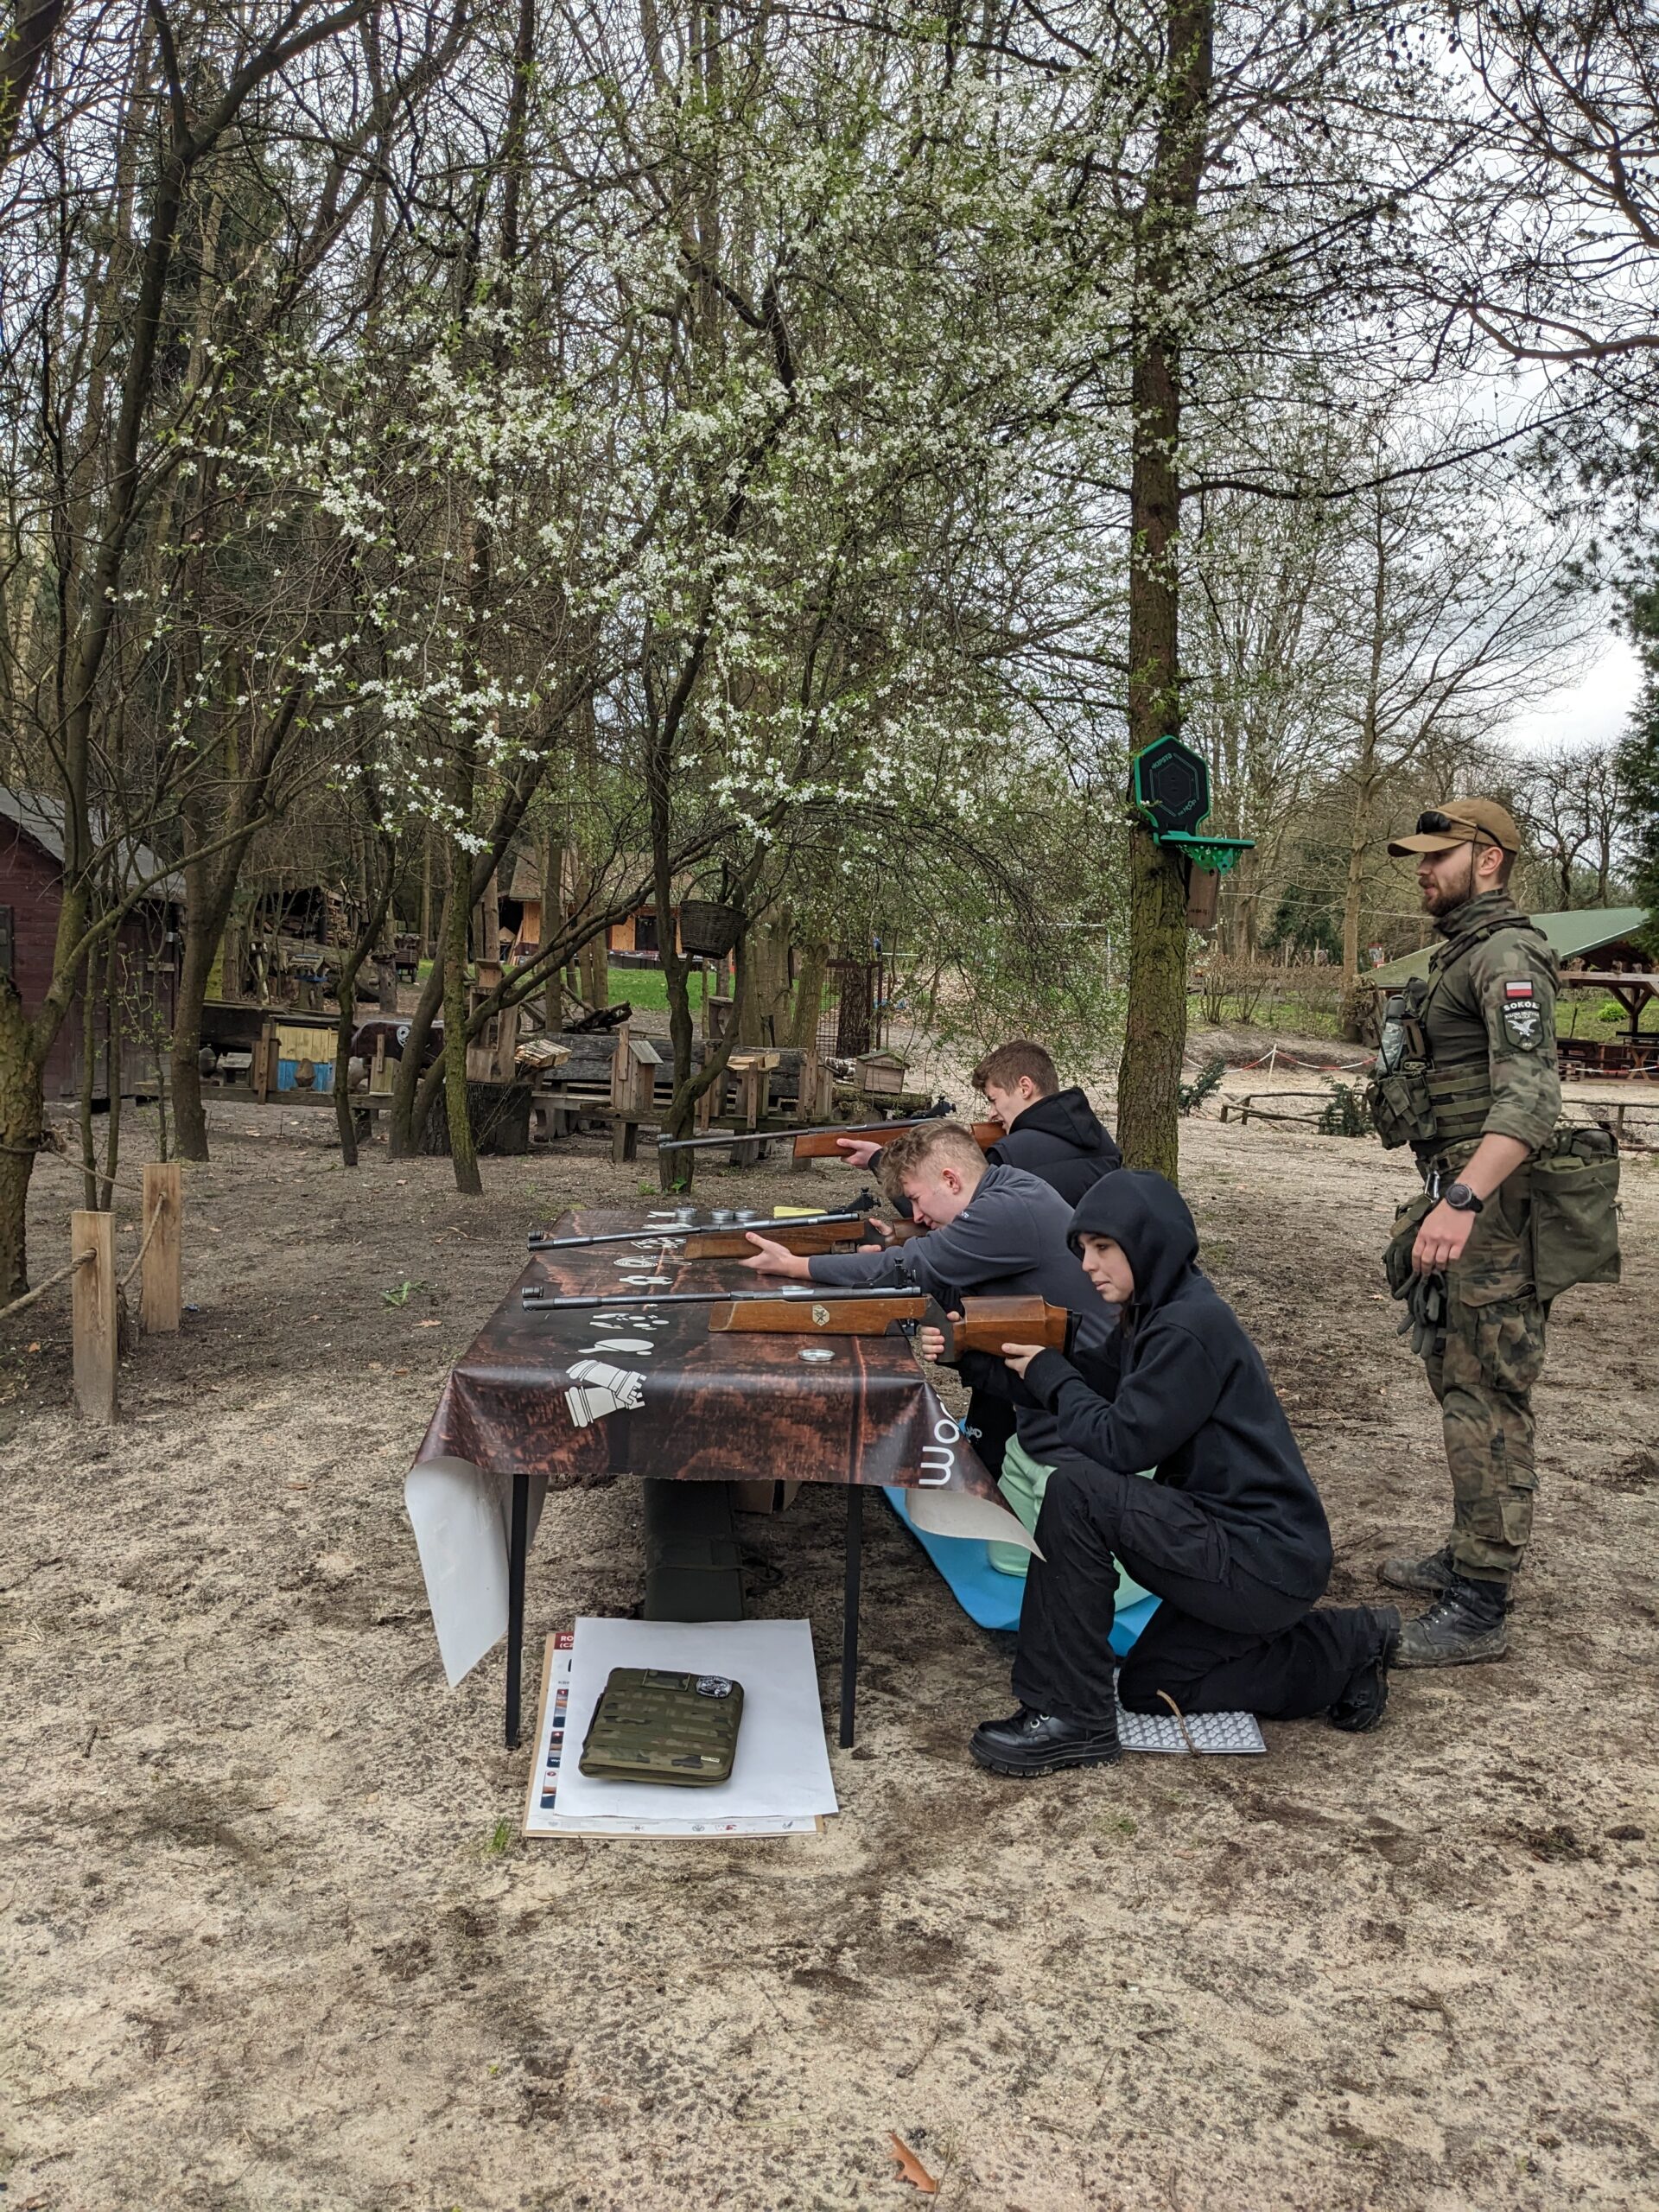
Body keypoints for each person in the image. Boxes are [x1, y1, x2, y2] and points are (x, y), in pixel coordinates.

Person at [957, 1169, 1398, 1777]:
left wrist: (1048, 1373)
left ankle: (1069, 1715)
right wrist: (975, 1361)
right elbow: (1089, 1384)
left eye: (1103, 1247)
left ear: (1148, 1241)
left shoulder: (1191, 1326)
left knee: (1077, 1489)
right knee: (1153, 1687)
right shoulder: (1154, 1314)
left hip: (1260, 1557)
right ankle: (1349, 1646)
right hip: (1234, 1549)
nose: (1088, 1264)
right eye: (1083, 1249)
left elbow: (1120, 1442)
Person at [1368, 799, 1606, 1667]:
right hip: (1461, 1201)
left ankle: (1482, 1605)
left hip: (1491, 1213)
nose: (1423, 869)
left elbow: (1531, 1101)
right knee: (1457, 1382)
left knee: (1488, 1395)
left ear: (1492, 861)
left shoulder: (1508, 956)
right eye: (1420, 857)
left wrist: (1463, 1201)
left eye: (1441, 855)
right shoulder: (1457, 954)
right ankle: (1472, 1552)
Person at [739, 1119, 1113, 1475]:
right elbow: (933, 1274)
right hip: (1047, 1420)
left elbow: (914, 1264)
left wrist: (798, 1267)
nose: (916, 1214)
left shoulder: (1004, 1211)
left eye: (917, 1199)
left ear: (950, 1179)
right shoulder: (1012, 1188)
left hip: (1082, 1431)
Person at [831, 1043, 1121, 1471]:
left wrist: (885, 1176)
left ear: (1025, 1087)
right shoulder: (1093, 1139)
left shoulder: (1014, 1155)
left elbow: (956, 1218)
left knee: (1008, 1444)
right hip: (1073, 1315)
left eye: (994, 1098)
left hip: (1049, 1342)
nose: (991, 1114)